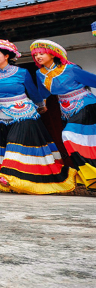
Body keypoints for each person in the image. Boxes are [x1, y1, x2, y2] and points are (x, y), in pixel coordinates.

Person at [0, 40, 75, 194]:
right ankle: (20, 181)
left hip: (25, 113)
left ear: (7, 56)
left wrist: (41, 105)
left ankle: (8, 175)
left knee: (15, 143)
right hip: (2, 115)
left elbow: (33, 91)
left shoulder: (22, 72)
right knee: (8, 145)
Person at [31, 39, 96, 190]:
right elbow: (44, 93)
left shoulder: (71, 69)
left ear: (53, 55)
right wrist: (41, 104)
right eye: (36, 55)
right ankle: (90, 177)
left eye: (42, 53)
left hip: (85, 104)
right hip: (65, 109)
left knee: (69, 135)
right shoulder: (39, 73)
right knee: (78, 142)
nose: (38, 57)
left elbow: (93, 80)